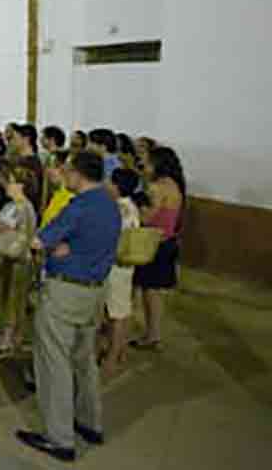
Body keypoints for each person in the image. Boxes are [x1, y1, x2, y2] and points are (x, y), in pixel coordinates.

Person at [17, 152, 120, 462]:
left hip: (66, 291)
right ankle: (90, 422)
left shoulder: (78, 207)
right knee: (84, 359)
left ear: (77, 174)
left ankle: (59, 437)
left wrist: (56, 246)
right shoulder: (109, 203)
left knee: (54, 362)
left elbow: (38, 241)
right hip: (95, 291)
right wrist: (67, 247)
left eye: (67, 172)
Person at [131, 147, 185, 350]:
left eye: (148, 162)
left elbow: (147, 218)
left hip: (154, 243)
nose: (144, 166)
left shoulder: (157, 187)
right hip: (168, 241)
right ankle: (153, 333)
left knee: (150, 292)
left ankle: (151, 335)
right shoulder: (174, 184)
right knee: (153, 292)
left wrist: (134, 205)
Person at [0, 167, 39, 354]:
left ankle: (8, 338)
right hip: (14, 258)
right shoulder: (21, 205)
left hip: (14, 259)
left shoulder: (19, 206)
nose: (6, 185)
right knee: (10, 299)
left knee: (10, 299)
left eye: (11, 181)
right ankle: (9, 335)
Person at [102, 168, 141, 378]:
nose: (106, 184)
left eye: (109, 181)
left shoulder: (121, 210)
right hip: (121, 267)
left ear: (117, 186)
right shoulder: (126, 207)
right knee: (120, 310)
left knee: (116, 313)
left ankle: (113, 356)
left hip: (116, 267)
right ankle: (120, 350)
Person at [41, 151, 74, 228]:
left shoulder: (70, 199)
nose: (49, 170)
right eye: (48, 166)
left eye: (56, 166)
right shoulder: (56, 195)